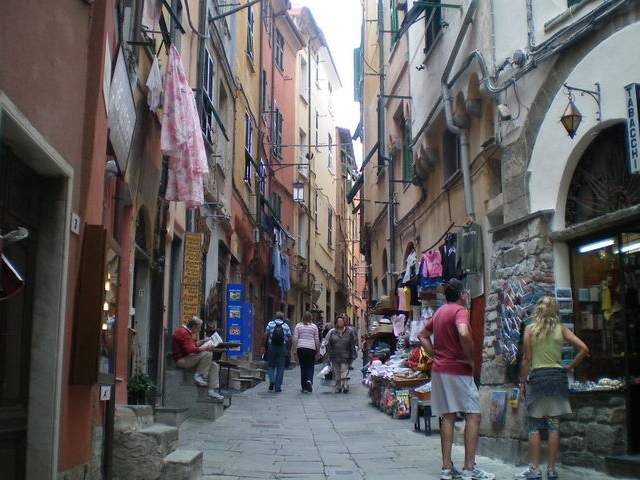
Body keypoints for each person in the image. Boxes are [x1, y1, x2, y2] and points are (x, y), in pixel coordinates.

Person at [418, 278, 494, 480]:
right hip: (458, 369)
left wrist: (435, 355)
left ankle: (446, 467)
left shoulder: (440, 312)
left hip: (440, 370)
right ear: (461, 295)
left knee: (448, 416)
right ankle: (469, 468)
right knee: (472, 415)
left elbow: (422, 335)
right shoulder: (460, 311)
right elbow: (463, 331)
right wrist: (469, 357)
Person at [515, 296, 589, 480]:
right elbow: (584, 348)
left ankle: (534, 469)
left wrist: (522, 382)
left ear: (538, 310)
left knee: (534, 425)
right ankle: (551, 469)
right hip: (557, 377)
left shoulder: (530, 330)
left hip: (538, 377)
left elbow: (527, 359)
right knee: (553, 425)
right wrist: (569, 366)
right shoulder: (561, 329)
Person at [171, 316, 223, 400]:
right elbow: (189, 350)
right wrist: (205, 347)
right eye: (199, 328)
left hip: (187, 357)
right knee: (208, 353)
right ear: (194, 326)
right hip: (181, 360)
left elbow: (190, 345)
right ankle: (199, 375)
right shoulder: (183, 333)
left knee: (214, 365)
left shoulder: (185, 332)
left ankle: (211, 390)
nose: (199, 330)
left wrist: (202, 342)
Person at [325, 315, 357, 393]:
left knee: (344, 370)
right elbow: (328, 343)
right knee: (336, 372)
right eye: (338, 321)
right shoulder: (332, 332)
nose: (340, 323)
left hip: (346, 355)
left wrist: (353, 354)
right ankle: (338, 386)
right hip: (334, 355)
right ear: (336, 323)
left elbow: (353, 342)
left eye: (341, 321)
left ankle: (345, 385)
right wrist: (328, 355)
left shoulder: (349, 332)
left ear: (344, 322)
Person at [262, 311, 292, 392]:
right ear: (283, 318)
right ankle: (278, 387)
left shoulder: (271, 324)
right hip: (282, 347)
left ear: (275, 317)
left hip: (272, 346)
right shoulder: (286, 326)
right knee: (281, 367)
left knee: (270, 365)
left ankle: (272, 380)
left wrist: (263, 346)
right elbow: (290, 338)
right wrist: (289, 349)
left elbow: (265, 335)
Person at [292, 311, 320, 393]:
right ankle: (309, 380)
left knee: (303, 367)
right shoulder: (314, 327)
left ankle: (304, 387)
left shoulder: (298, 326)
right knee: (310, 366)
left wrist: (294, 349)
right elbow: (317, 340)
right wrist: (318, 351)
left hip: (301, 348)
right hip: (311, 348)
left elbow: (295, 338)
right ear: (311, 318)